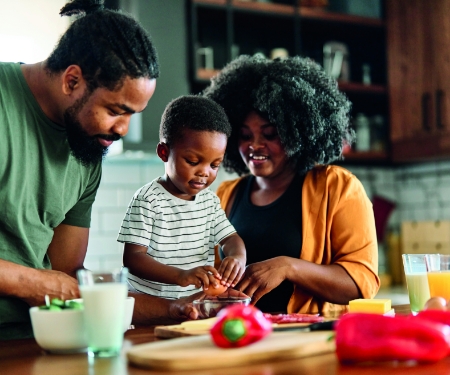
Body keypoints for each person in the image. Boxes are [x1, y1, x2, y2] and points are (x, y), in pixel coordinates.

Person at [0, 0, 193, 340]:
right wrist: (36, 283)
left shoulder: (87, 147)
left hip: (36, 340)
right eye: (116, 110)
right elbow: (53, 285)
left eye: (133, 114)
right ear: (72, 80)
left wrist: (178, 310)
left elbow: (69, 279)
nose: (122, 129)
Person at [203, 54, 379, 315]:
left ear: (298, 131)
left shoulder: (337, 187)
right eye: (244, 135)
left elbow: (361, 281)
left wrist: (288, 267)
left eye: (270, 134)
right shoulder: (226, 194)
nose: (255, 146)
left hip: (304, 339)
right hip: (237, 335)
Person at [118, 96, 247, 299]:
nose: (205, 172)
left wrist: (237, 257)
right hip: (151, 307)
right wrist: (181, 276)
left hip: (194, 304)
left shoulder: (209, 202)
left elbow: (230, 238)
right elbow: (133, 259)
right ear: (163, 152)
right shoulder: (148, 200)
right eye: (193, 161)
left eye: (214, 165)